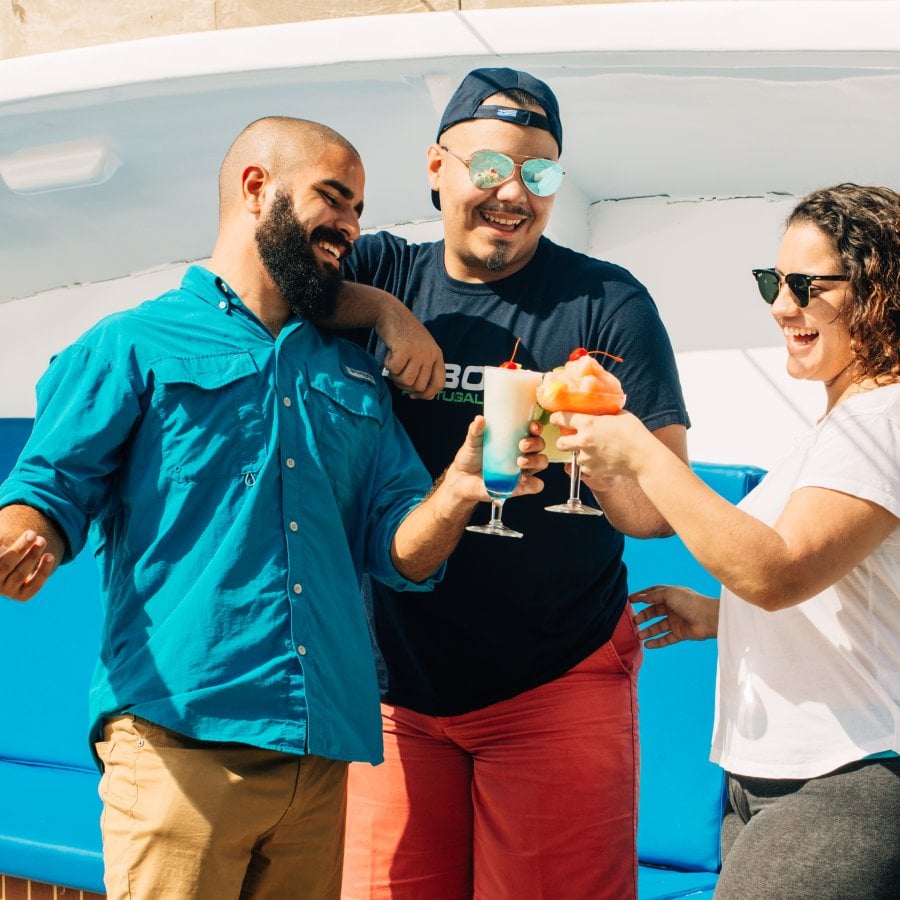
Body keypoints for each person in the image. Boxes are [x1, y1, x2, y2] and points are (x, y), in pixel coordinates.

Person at [0, 116, 547, 900]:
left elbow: (400, 554)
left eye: (359, 209)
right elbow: (48, 490)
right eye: (334, 198)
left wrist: (459, 488)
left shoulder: (357, 377)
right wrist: (26, 540)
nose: (352, 228)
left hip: (320, 761)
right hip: (176, 747)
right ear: (257, 188)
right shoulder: (131, 344)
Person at [340, 68, 690, 899]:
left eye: (538, 176)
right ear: (436, 166)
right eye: (489, 168)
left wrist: (599, 451)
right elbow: (268, 286)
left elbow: (654, 511)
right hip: (394, 686)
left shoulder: (605, 303)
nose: (513, 195)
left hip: (554, 677)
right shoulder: (382, 272)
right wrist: (387, 316)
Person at [561, 183, 900, 899]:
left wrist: (644, 453)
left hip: (843, 781)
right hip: (773, 782)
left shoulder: (882, 417)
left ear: (878, 292)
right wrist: (722, 615)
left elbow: (776, 573)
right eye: (773, 282)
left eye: (806, 285)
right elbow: (839, 588)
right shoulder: (845, 425)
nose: (782, 305)